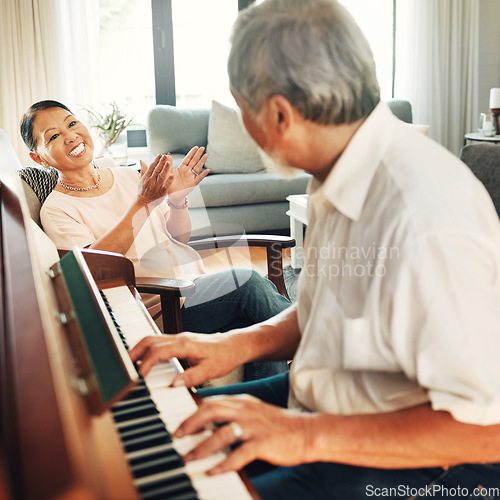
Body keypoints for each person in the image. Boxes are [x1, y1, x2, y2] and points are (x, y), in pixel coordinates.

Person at [129, 0, 500, 498]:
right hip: (325, 396)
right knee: (167, 436)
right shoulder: (336, 172)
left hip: (421, 460)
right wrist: (234, 344)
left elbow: (485, 430)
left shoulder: (424, 218)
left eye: (241, 107)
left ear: (279, 114)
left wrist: (301, 436)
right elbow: (328, 308)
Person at [20, 99, 290, 381]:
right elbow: (92, 269)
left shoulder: (127, 176)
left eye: (72, 123)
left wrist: (176, 200)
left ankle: (279, 402)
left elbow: (178, 236)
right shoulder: (57, 209)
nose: (70, 136)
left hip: (192, 286)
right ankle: (317, 341)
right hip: (164, 307)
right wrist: (143, 203)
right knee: (250, 285)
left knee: (257, 328)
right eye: (53, 136)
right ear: (38, 157)